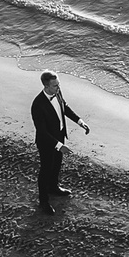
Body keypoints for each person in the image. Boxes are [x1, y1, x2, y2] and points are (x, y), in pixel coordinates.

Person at [31, 70, 89, 213]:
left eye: (58, 84)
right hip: (47, 142)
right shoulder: (38, 105)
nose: (58, 87)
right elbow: (42, 132)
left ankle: (54, 187)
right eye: (55, 86)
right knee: (46, 169)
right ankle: (43, 201)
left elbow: (64, 107)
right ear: (46, 86)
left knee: (56, 164)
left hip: (60, 136)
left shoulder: (58, 93)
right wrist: (59, 146)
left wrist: (79, 121)